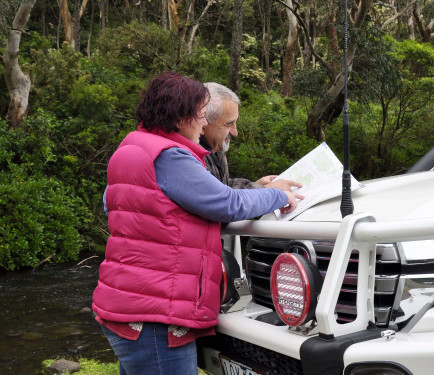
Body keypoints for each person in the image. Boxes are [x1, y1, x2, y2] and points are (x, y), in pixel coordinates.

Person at [92, 72, 303, 375]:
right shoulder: (171, 157)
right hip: (155, 314)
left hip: (133, 306)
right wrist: (275, 195)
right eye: (202, 116)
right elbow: (228, 204)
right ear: (180, 117)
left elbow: (114, 204)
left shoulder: (133, 147)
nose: (205, 124)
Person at [201, 82, 294, 190]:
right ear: (204, 123)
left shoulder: (216, 145)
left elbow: (224, 186)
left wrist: (257, 185)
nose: (235, 133)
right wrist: (264, 191)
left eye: (235, 122)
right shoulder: (194, 159)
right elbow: (219, 201)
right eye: (229, 124)